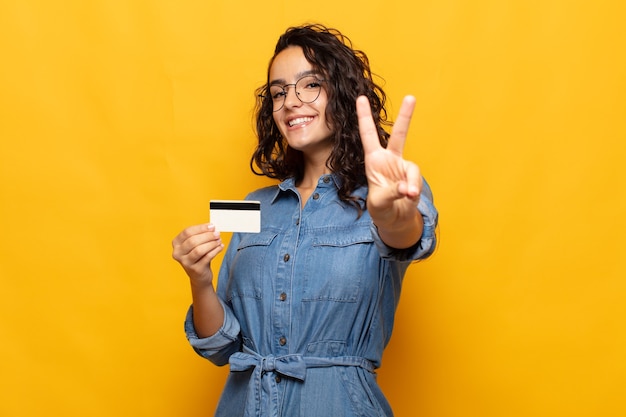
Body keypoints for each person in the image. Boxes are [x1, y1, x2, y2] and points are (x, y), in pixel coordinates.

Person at [172, 23, 438, 417]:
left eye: (309, 84)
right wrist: (199, 279)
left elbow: (407, 236)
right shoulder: (254, 207)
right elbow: (221, 347)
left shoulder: (389, 192)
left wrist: (391, 215)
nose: (291, 101)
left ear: (343, 94)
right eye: (279, 92)